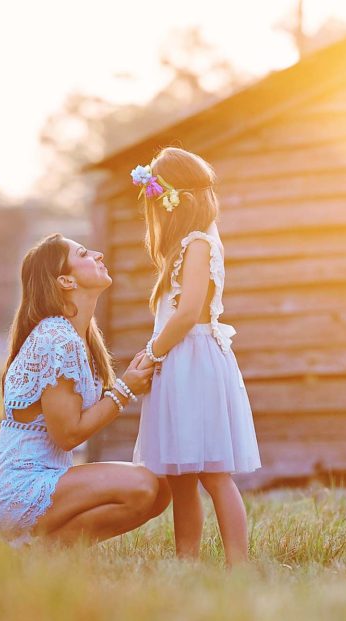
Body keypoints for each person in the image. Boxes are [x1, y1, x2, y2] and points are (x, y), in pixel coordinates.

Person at [0, 233, 170, 547]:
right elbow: (67, 435)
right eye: (83, 253)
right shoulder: (57, 338)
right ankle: (43, 553)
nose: (97, 254)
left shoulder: (80, 336)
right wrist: (125, 390)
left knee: (161, 490)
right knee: (142, 485)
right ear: (66, 281)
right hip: (18, 486)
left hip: (48, 477)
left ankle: (43, 552)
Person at [130, 147, 261, 566]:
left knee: (212, 473)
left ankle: (237, 563)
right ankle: (187, 562)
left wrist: (152, 351)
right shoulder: (184, 246)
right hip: (177, 362)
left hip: (194, 362)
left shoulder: (200, 243)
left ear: (176, 201)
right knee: (181, 477)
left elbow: (187, 313)